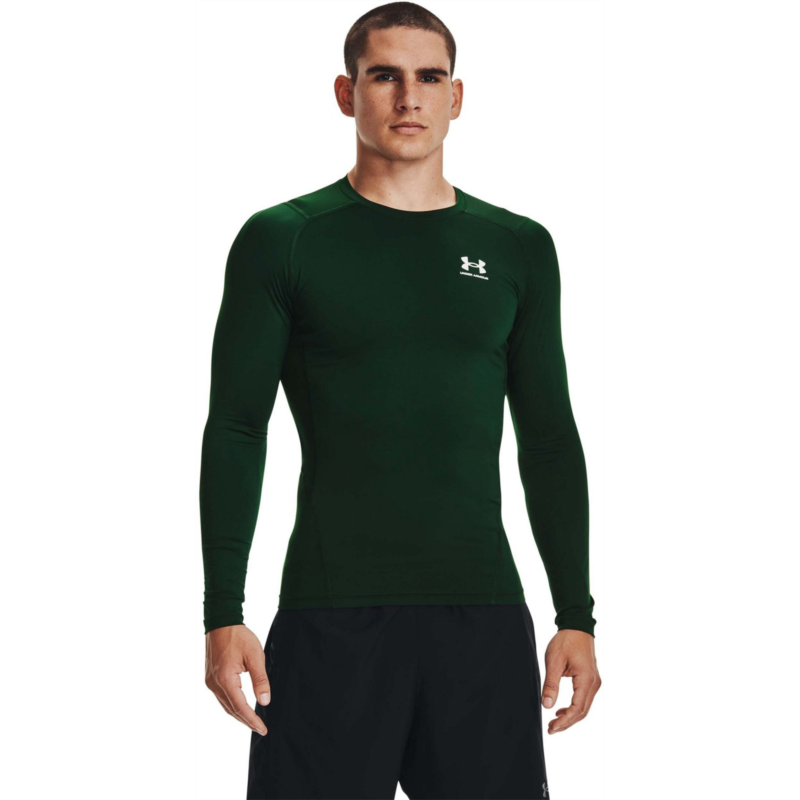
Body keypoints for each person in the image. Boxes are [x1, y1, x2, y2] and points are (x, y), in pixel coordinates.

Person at [200, 3, 601, 798]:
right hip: (329, 619)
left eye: (430, 77)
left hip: (483, 619)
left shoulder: (517, 246)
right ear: (346, 93)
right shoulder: (284, 239)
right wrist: (222, 611)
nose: (409, 97)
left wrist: (576, 617)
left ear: (458, 97)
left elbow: (550, 438)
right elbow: (238, 427)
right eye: (385, 75)